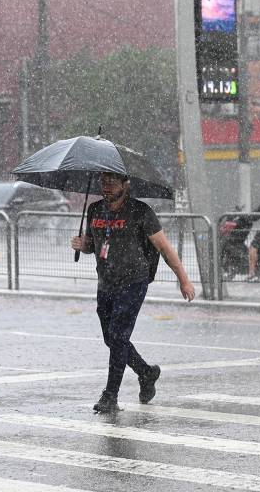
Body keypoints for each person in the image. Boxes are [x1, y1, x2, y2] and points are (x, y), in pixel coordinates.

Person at [71, 172, 195, 413]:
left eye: (112, 183)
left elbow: (164, 248)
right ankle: (147, 372)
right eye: (103, 182)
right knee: (112, 339)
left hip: (133, 282)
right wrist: (82, 245)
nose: (106, 187)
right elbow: (94, 245)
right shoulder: (95, 209)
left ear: (125, 185)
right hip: (105, 282)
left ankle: (110, 395)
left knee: (118, 336)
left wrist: (184, 280)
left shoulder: (140, 211)